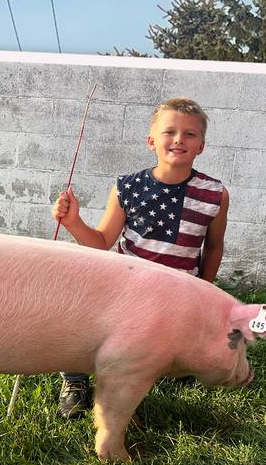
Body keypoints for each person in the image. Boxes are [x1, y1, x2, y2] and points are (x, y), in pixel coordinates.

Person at [51, 97, 230, 418]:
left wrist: (204, 291)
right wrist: (73, 222)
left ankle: (168, 365)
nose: (178, 139)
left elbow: (214, 246)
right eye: (169, 132)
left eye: (190, 134)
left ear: (201, 146)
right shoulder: (127, 187)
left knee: (157, 350)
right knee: (79, 321)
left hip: (175, 299)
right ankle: (75, 381)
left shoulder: (215, 194)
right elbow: (102, 242)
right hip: (124, 292)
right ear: (151, 141)